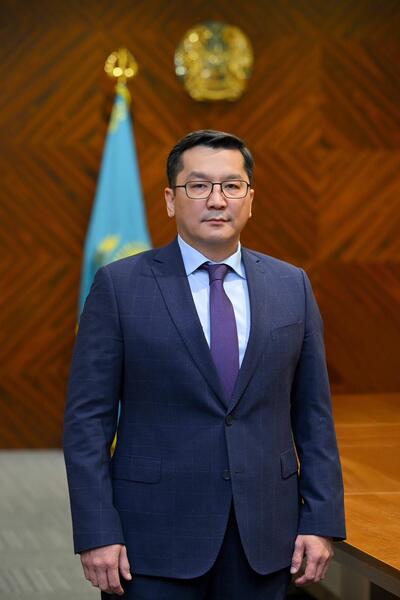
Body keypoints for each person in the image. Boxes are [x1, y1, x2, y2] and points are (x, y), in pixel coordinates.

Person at [63, 130, 346, 599]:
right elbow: (87, 421)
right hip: (150, 538)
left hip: (264, 535)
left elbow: (314, 415)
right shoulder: (120, 286)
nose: (217, 200)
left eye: (232, 186)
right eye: (198, 186)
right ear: (170, 200)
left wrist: (321, 519)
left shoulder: (291, 285)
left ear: (250, 199)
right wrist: (97, 530)